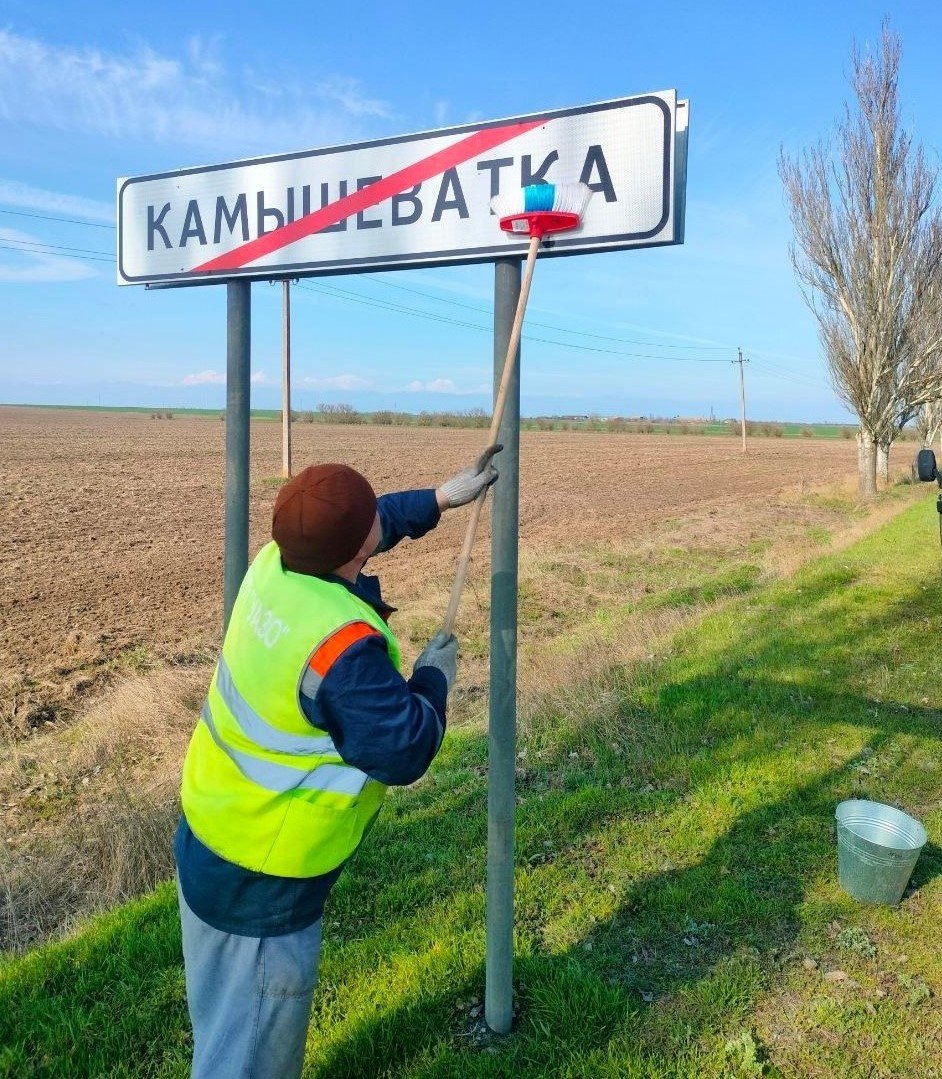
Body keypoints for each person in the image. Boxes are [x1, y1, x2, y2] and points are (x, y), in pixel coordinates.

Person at [174, 446, 501, 1078]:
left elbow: (368, 523)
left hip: (211, 833)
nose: (379, 522)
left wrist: (440, 498)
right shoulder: (339, 648)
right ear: (356, 549)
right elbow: (404, 747)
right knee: (247, 1058)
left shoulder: (276, 565)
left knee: (222, 1023)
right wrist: (433, 680)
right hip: (262, 882)